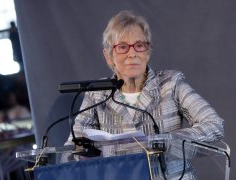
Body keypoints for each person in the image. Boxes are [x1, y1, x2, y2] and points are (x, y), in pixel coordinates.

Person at [64, 10, 224, 179]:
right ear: (108, 56)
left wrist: (169, 140)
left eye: (139, 45)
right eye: (123, 47)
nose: (132, 53)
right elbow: (72, 148)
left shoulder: (171, 84)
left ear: (147, 52)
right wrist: (84, 153)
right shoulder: (97, 93)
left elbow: (214, 124)